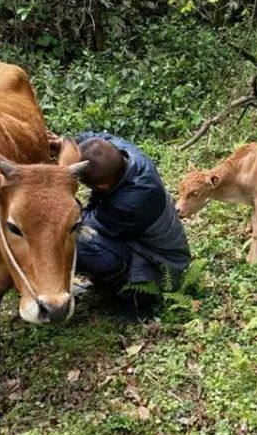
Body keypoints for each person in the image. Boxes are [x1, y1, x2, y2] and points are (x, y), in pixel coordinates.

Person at [68, 131, 190, 314]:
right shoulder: (128, 155)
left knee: (72, 238)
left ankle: (137, 297)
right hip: (141, 237)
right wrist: (64, 144)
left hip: (162, 266)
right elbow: (93, 137)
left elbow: (82, 223)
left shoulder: (132, 202)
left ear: (102, 187)